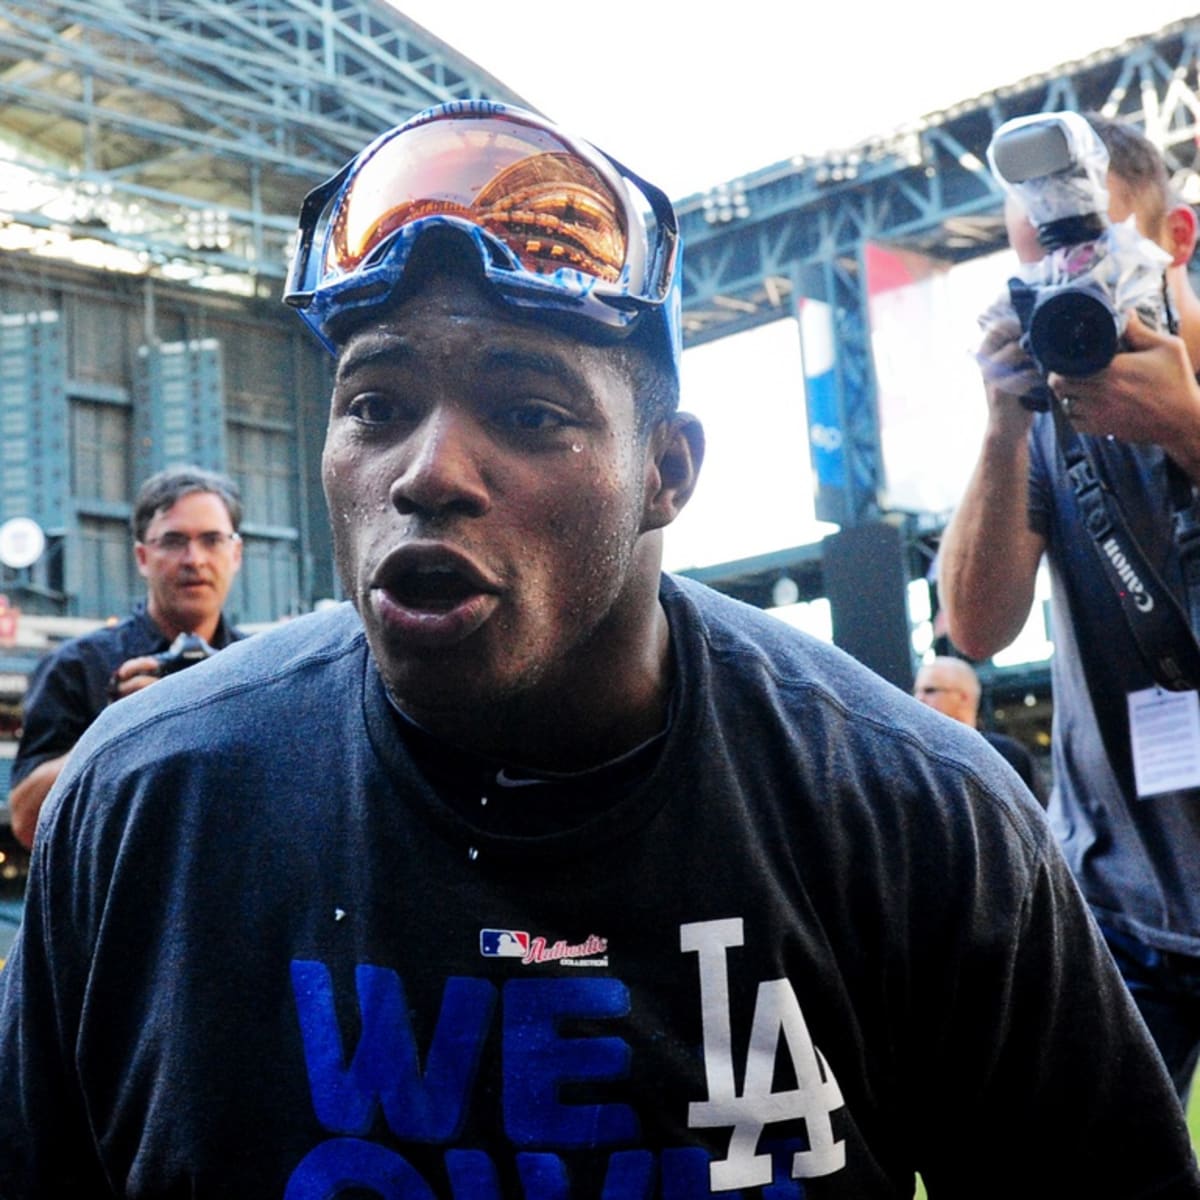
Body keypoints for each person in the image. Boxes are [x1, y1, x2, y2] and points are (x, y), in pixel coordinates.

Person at [0, 103, 1196, 1198]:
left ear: (665, 472)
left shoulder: (912, 819)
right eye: (376, 405)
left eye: (529, 413)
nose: (427, 472)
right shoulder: (150, 808)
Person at [939, 111, 1200, 1102]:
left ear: (1175, 240)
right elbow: (976, 625)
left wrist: (1189, 435)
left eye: (1094, 265)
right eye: (1043, 274)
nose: (1070, 299)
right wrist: (1004, 431)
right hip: (1117, 902)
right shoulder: (1051, 421)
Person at [6, 465, 244, 848]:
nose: (194, 559)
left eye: (212, 539)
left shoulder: (264, 670)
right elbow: (27, 822)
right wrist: (118, 729)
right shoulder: (76, 667)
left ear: (236, 553)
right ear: (142, 556)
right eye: (173, 540)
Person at [913, 655, 1042, 801]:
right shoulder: (915, 756)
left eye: (929, 690)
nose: (919, 699)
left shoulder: (1008, 754)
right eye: (916, 691)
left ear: (963, 697)